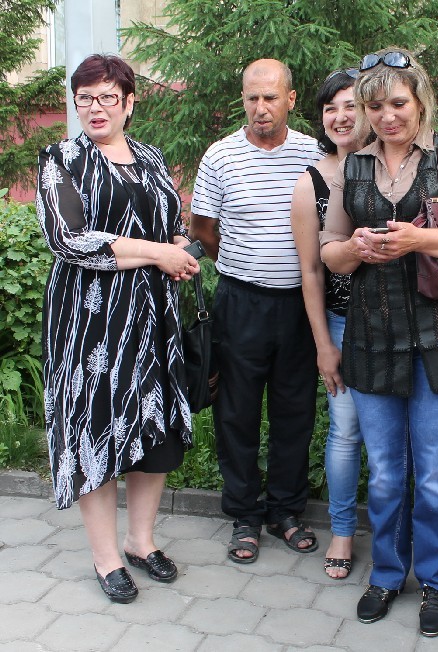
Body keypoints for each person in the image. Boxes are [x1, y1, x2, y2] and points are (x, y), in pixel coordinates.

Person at [320, 48, 438, 637]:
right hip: (373, 336)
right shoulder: (353, 166)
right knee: (386, 472)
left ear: (420, 101)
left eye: (398, 103)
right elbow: (329, 252)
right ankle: (388, 573)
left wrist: (417, 240)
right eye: (375, 106)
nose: (387, 116)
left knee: (436, 473)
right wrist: (355, 250)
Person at [36, 54, 198, 603]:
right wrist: (156, 252)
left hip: (153, 316)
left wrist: (180, 249)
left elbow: (172, 224)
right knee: (95, 428)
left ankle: (140, 541)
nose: (95, 108)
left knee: (155, 430)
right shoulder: (61, 159)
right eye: (85, 98)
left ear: (130, 103)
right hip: (90, 322)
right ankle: (106, 559)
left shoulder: (151, 157)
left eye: (107, 97)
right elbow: (68, 239)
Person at [189, 59, 322, 564]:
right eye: (252, 98)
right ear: (242, 100)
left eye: (270, 97)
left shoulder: (313, 153)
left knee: (295, 411)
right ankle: (244, 515)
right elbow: (203, 227)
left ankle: (286, 510)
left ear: (291, 99)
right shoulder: (221, 156)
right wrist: (243, 262)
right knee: (237, 413)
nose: (261, 108)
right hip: (240, 303)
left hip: (300, 305)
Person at [290, 68, 363, 579]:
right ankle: (342, 531)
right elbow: (311, 272)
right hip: (341, 321)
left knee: (399, 437)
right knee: (345, 430)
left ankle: (398, 531)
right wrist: (323, 344)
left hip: (401, 322)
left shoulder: (397, 167)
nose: (340, 116)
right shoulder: (311, 182)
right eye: (330, 108)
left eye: (351, 105)